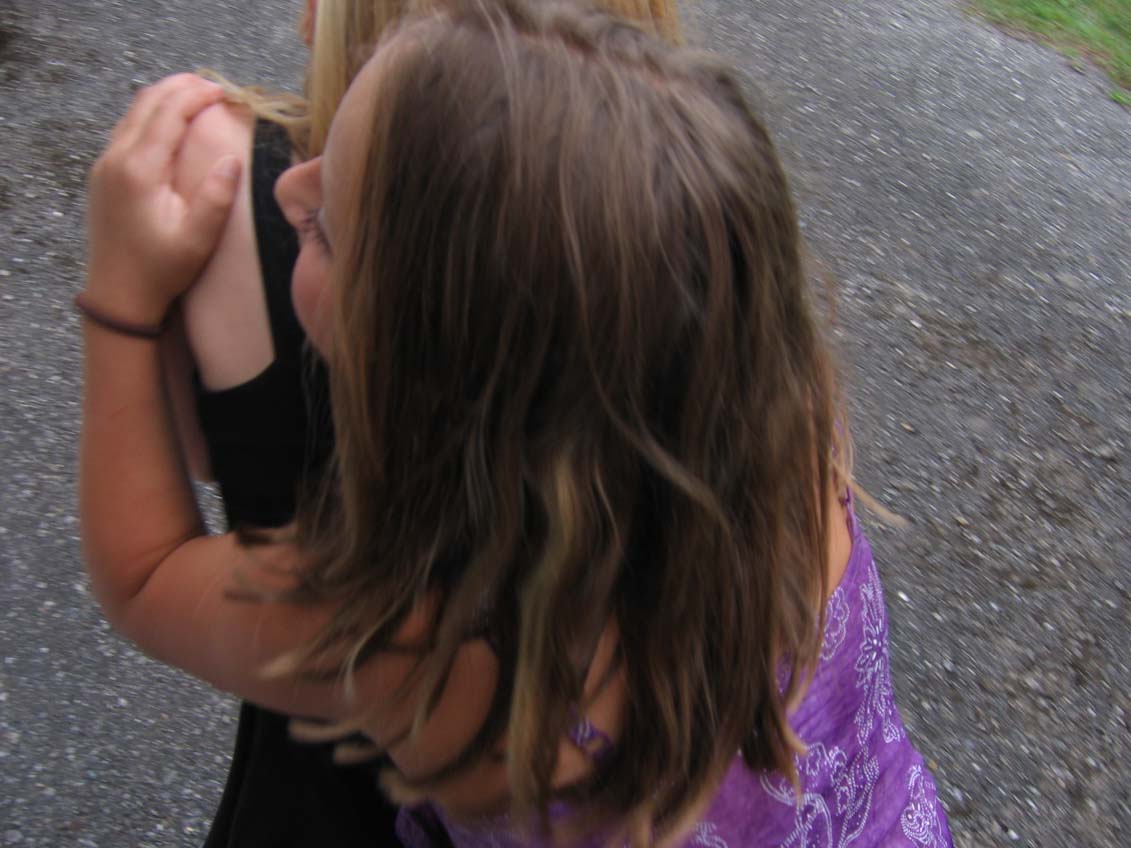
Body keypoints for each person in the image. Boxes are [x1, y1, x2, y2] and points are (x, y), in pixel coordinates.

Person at [78, 0, 953, 844]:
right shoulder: (790, 421)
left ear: (433, 387)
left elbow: (145, 577)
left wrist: (122, 294)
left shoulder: (426, 645)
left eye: (326, 231)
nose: (285, 187)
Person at [161, 0, 684, 844]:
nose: (305, 24)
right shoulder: (700, 282)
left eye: (324, 230)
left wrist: (117, 307)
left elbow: (152, 560)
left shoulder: (408, 634)